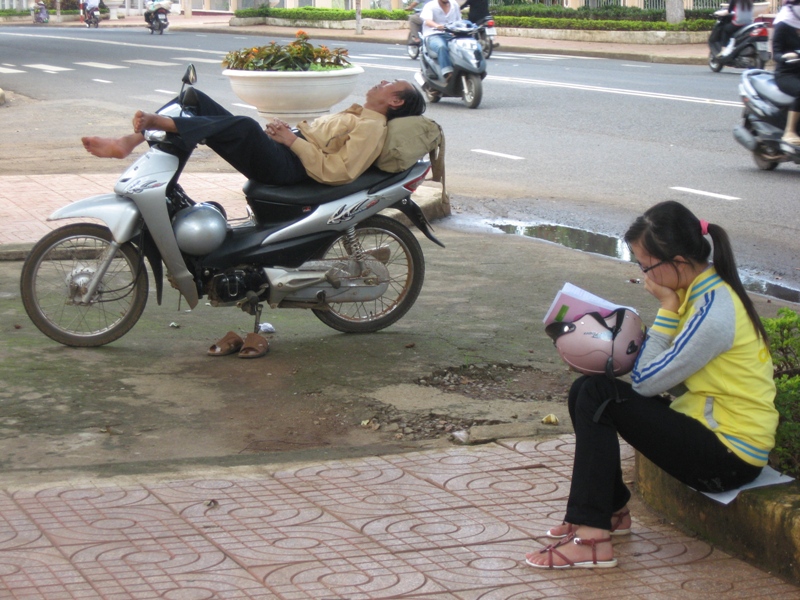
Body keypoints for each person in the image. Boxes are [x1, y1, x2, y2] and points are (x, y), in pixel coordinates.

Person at [83, 79, 426, 357]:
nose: (381, 82)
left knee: (242, 125)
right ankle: (131, 139)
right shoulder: (359, 114)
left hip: (291, 169)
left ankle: (155, 127)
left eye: (390, 83)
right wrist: (289, 133)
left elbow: (338, 170)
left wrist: (291, 140)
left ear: (395, 102)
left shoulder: (372, 125)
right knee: (194, 97)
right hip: (285, 154)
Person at [526, 200, 778, 570]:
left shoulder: (712, 309)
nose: (645, 275)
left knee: (599, 394)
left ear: (677, 261)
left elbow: (644, 381)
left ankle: (593, 540)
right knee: (587, 389)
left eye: (647, 266)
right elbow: (663, 374)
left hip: (730, 457)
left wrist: (666, 308)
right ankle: (609, 514)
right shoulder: (700, 292)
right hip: (708, 432)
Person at [771, 0, 800, 146]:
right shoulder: (783, 25)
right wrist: (785, 57)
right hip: (786, 73)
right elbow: (775, 53)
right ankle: (789, 131)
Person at [420, 0, 461, 82]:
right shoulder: (430, 6)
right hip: (434, 35)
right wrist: (437, 26)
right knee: (441, 46)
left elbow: (459, 20)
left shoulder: (454, 5)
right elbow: (428, 21)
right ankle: (448, 73)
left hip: (451, 34)